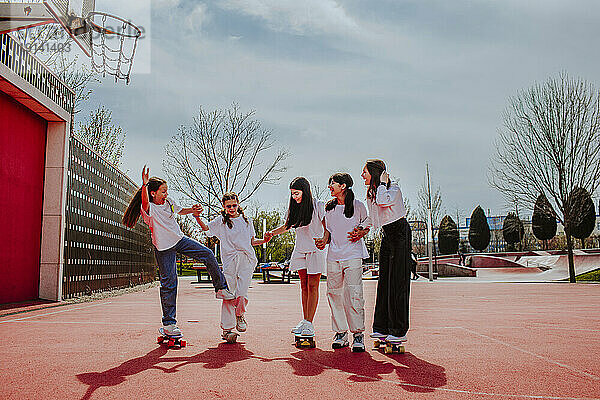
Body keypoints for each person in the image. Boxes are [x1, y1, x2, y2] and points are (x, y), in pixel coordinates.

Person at [122, 166, 234, 338]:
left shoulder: (168, 202)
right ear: (153, 193)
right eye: (163, 191)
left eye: (166, 191)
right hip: (163, 248)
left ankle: (220, 288)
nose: (166, 194)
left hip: (180, 240)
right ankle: (169, 324)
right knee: (170, 284)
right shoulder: (149, 208)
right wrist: (144, 184)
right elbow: (144, 201)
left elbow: (180, 211)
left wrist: (193, 211)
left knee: (208, 254)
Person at [194, 192, 271, 340]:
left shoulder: (247, 220)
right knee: (229, 295)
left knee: (241, 293)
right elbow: (206, 229)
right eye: (228, 206)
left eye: (234, 205)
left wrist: (264, 240)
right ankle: (227, 329)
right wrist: (197, 217)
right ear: (224, 206)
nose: (232, 208)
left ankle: (240, 314)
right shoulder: (221, 221)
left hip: (246, 260)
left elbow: (252, 241)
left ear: (238, 204)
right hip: (230, 261)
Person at [350, 159, 411, 345]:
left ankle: (399, 331)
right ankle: (382, 328)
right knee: (384, 282)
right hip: (387, 235)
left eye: (365, 172)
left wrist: (383, 183)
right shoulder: (372, 194)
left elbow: (384, 203)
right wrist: (361, 227)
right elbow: (375, 218)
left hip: (400, 234)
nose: (362, 176)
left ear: (375, 173)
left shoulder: (392, 190)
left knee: (398, 282)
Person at [315, 173, 369, 352]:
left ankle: (358, 334)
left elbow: (367, 225)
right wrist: (323, 241)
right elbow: (328, 232)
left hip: (353, 255)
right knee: (334, 294)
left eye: (333, 184)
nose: (330, 186)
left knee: (353, 294)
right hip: (333, 257)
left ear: (343, 186)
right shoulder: (329, 209)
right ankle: (341, 333)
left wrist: (361, 232)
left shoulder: (358, 206)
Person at [267, 177, 326, 337]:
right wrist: (272, 232)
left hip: (315, 249)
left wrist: (325, 239)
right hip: (300, 250)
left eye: (297, 193)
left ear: (305, 191)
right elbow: (287, 226)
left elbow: (327, 226)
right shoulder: (294, 208)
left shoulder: (318, 205)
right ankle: (305, 321)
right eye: (292, 194)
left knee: (313, 286)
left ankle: (309, 323)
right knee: (304, 286)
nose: (294, 197)